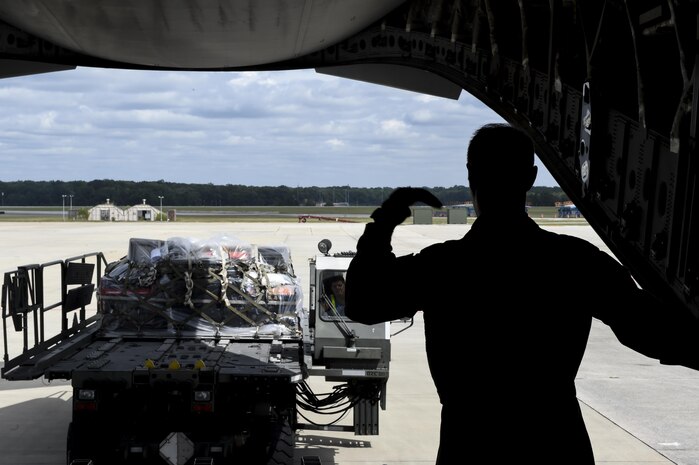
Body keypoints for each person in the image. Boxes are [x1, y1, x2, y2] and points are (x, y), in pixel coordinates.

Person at [345, 123, 699, 464]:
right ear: (530, 178)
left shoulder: (442, 266)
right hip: (556, 443)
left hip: (469, 444)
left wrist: (383, 223)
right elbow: (655, 332)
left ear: (471, 174)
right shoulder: (577, 261)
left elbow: (362, 302)